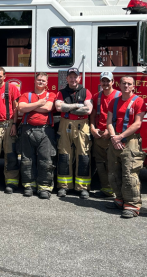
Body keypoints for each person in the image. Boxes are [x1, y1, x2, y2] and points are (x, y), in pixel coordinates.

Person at [106, 76, 147, 218]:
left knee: (130, 174)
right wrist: (113, 137)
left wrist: (120, 137)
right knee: (113, 173)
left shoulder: (139, 101)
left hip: (131, 141)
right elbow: (109, 122)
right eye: (123, 83)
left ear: (133, 87)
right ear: (119, 85)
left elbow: (137, 124)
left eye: (129, 84)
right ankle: (119, 200)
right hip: (115, 140)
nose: (126, 86)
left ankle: (132, 205)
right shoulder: (114, 102)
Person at [54, 68, 93, 199]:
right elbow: (59, 107)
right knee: (64, 155)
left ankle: (83, 188)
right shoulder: (61, 92)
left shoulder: (86, 92)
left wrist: (68, 108)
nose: (73, 79)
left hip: (83, 126)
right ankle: (64, 186)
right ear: (67, 79)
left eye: (75, 77)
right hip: (65, 124)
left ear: (79, 78)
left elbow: (88, 110)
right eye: (70, 77)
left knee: (83, 155)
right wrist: (77, 105)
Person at [18, 72, 57, 199]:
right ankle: (29, 186)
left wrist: (30, 107)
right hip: (27, 130)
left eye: (43, 81)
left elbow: (48, 108)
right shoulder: (26, 94)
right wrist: (39, 103)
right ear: (34, 81)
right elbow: (21, 108)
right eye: (39, 80)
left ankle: (44, 187)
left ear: (47, 83)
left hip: (45, 131)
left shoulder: (51, 94)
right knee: (26, 160)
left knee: (45, 160)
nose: (40, 82)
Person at [0, 67, 21, 194]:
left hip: (8, 126)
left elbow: (16, 109)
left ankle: (11, 182)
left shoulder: (12, 88)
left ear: (5, 76)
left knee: (11, 155)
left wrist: (14, 125)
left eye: (0, 76)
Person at [89, 71, 121, 198]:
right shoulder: (97, 96)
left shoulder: (119, 95)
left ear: (113, 82)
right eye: (103, 81)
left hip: (113, 135)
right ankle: (106, 189)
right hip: (99, 134)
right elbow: (93, 115)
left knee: (113, 163)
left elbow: (121, 117)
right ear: (100, 82)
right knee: (100, 163)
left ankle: (117, 191)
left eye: (108, 81)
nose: (106, 83)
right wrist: (92, 128)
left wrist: (110, 131)